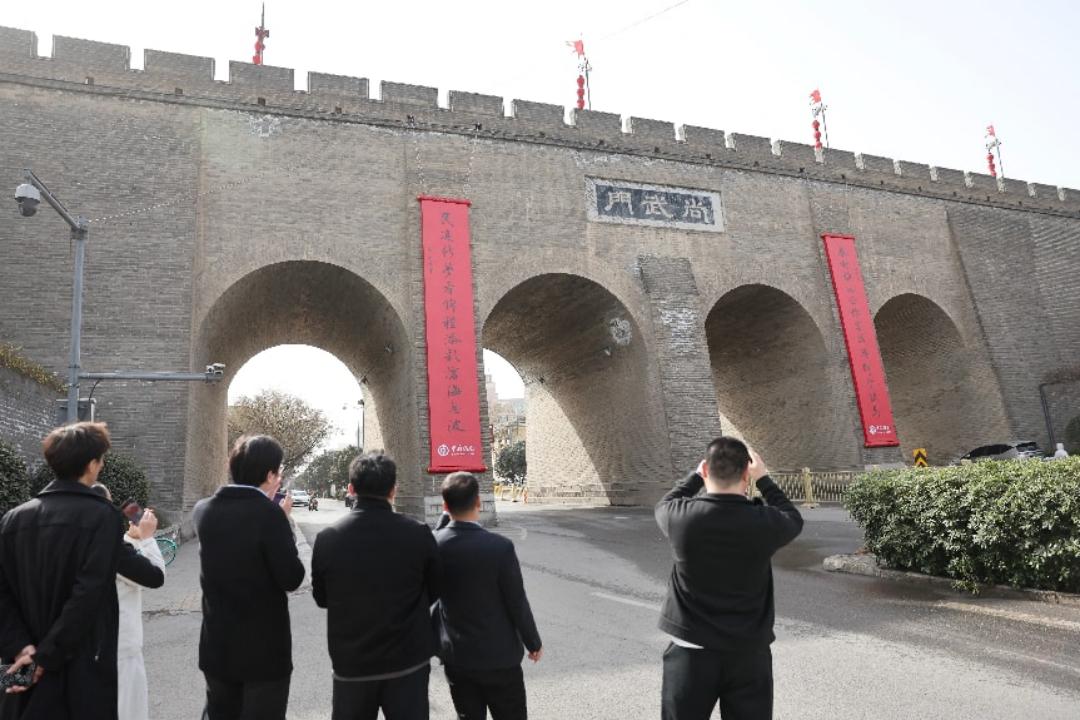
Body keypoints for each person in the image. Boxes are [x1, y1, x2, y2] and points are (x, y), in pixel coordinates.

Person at [655, 437, 803, 720]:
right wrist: (764, 479)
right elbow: (792, 517)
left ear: (706, 470)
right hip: (749, 653)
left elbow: (665, 502)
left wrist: (694, 478)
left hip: (690, 651)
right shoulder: (763, 522)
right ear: (747, 474)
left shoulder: (680, 518)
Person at [0, 422, 128, 719]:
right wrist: (45, 657)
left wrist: (20, 648)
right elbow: (88, 595)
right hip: (78, 661)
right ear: (91, 464)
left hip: (20, 660)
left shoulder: (12, 519)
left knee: (16, 710)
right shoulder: (103, 516)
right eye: (100, 460)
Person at [311, 453, 440, 720]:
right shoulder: (418, 533)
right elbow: (435, 587)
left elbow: (322, 598)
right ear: (393, 490)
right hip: (408, 661)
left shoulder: (328, 538)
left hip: (352, 664)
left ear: (351, 489)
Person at [192, 435, 305, 720]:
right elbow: (292, 577)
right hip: (264, 654)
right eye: (279, 471)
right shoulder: (270, 516)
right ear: (269, 475)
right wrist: (284, 521)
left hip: (217, 646)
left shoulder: (203, 510)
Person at [433, 472, 542, 720]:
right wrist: (533, 642)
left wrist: (444, 520)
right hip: (500, 658)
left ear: (445, 506)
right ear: (479, 503)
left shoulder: (435, 545)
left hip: (458, 657)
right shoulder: (499, 547)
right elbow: (517, 602)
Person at [89, 484, 167, 720]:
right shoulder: (109, 547)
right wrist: (147, 537)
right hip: (120, 649)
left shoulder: (73, 538)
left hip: (84, 647)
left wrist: (131, 539)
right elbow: (155, 575)